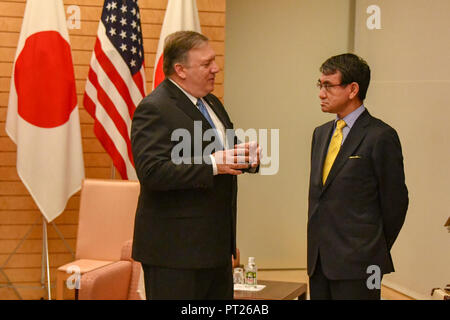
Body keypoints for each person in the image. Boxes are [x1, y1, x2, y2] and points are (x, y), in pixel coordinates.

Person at [130, 31, 259, 300]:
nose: (216, 68)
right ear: (180, 70)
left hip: (216, 250)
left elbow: (224, 156)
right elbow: (152, 172)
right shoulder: (154, 107)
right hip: (174, 254)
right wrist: (212, 163)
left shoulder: (211, 102)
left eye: (214, 61)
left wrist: (246, 158)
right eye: (206, 63)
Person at [307, 53, 408, 300]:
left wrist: (370, 249)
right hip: (319, 263)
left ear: (353, 89)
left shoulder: (380, 136)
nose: (321, 93)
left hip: (360, 265)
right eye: (320, 85)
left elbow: (396, 203)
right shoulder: (320, 134)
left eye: (329, 86)